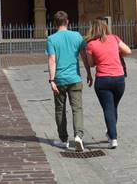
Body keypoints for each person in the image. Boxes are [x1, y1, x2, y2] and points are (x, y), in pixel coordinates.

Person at [46, 10, 91, 151]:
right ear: (67, 22)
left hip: (59, 79)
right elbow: (84, 56)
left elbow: (52, 60)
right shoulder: (77, 36)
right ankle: (78, 136)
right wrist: (89, 73)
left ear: (55, 24)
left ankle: (64, 139)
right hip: (75, 79)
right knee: (77, 108)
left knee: (60, 110)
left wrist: (51, 80)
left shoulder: (51, 39)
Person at [85, 18, 131, 148]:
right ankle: (111, 132)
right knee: (113, 106)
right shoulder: (114, 38)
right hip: (119, 79)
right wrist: (115, 52)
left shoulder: (91, 44)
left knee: (108, 108)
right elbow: (128, 51)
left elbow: (91, 63)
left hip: (103, 80)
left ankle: (113, 136)